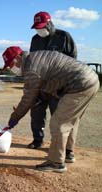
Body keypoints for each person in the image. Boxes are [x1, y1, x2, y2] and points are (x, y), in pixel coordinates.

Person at [2, 46, 99, 172]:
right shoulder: (35, 58)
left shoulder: (31, 69)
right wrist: (34, 102)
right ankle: (68, 153)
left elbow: (28, 98)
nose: (11, 69)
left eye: (10, 65)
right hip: (90, 80)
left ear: (18, 58)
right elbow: (42, 90)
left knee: (58, 123)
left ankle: (56, 162)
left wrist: (14, 118)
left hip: (78, 85)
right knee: (71, 121)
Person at [28, 11, 77, 149]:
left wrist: (64, 82)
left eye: (42, 26)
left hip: (59, 86)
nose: (39, 30)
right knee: (37, 113)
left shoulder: (64, 37)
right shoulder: (35, 39)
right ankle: (37, 140)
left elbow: (72, 61)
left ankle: (61, 147)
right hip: (41, 85)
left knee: (59, 117)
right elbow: (33, 61)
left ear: (49, 24)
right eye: (37, 27)